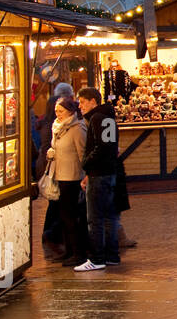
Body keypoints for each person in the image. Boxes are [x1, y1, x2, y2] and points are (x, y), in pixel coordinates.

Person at [75, 87, 120, 271]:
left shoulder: (96, 118)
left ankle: (96, 258)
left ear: (93, 101)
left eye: (83, 102)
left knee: (95, 218)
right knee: (109, 217)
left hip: (99, 174)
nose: (80, 106)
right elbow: (111, 146)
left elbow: (101, 147)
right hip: (109, 173)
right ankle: (111, 255)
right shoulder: (108, 116)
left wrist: (86, 162)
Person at [48, 96, 90, 267]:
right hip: (59, 175)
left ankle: (78, 252)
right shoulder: (57, 128)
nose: (58, 114)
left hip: (72, 178)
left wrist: (86, 174)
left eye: (61, 111)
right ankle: (69, 250)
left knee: (72, 216)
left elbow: (83, 153)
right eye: (56, 111)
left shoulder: (77, 128)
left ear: (71, 112)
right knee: (63, 216)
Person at [36, 82, 75, 255]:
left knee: (56, 205)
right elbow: (50, 149)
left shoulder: (49, 123)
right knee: (59, 206)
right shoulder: (54, 126)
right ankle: (51, 239)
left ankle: (52, 239)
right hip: (56, 170)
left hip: (54, 168)